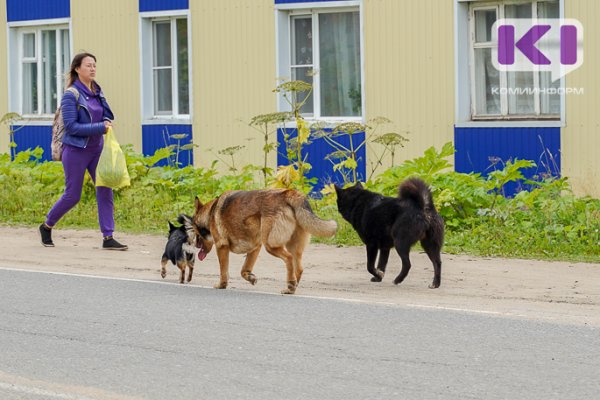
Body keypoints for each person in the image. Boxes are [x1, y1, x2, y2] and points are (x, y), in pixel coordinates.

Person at [39, 52, 127, 250]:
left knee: (105, 189)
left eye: (94, 65)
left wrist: (106, 121)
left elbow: (105, 114)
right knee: (73, 195)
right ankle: (46, 225)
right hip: (76, 151)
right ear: (77, 69)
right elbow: (71, 127)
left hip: (97, 149)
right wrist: (99, 127)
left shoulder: (97, 91)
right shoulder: (71, 95)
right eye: (88, 65)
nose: (93, 68)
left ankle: (108, 237)